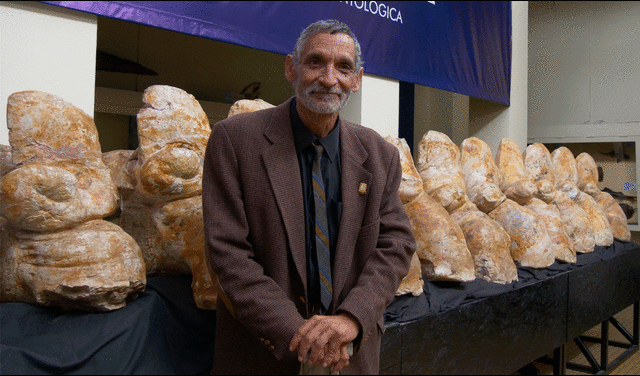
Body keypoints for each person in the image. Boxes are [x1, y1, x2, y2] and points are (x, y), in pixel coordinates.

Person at [202, 19, 415, 375]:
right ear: (291, 67)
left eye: (343, 67)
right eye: (316, 62)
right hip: (265, 351)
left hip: (349, 354)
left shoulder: (380, 155)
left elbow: (395, 245)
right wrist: (296, 332)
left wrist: (351, 318)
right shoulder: (234, 141)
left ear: (357, 79)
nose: (329, 78)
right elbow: (226, 253)